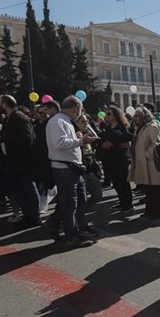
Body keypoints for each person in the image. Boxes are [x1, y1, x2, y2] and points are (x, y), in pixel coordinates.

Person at [47, 95, 98, 246]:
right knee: (70, 204)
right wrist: (81, 141)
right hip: (64, 169)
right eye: (79, 109)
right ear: (76, 107)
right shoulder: (58, 121)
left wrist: (77, 138)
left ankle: (65, 226)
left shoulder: (66, 121)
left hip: (73, 167)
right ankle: (71, 235)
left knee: (79, 201)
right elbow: (59, 143)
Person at [0, 95, 41, 227]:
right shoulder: (9, 119)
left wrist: (14, 149)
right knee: (19, 190)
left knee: (28, 188)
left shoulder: (20, 118)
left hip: (22, 162)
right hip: (14, 161)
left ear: (5, 105)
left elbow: (27, 139)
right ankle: (27, 215)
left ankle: (34, 217)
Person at [129, 107, 160, 219]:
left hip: (151, 163)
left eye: (137, 115)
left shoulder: (152, 127)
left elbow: (157, 143)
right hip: (143, 163)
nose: (135, 118)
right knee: (148, 189)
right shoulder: (140, 128)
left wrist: (147, 154)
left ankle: (156, 212)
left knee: (155, 190)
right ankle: (149, 211)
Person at [98, 106, 134, 212]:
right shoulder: (108, 127)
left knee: (123, 181)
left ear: (115, 115)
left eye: (109, 114)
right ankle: (122, 201)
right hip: (110, 157)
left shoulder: (121, 126)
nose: (107, 116)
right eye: (106, 114)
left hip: (120, 157)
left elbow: (126, 140)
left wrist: (113, 144)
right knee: (116, 181)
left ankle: (128, 203)